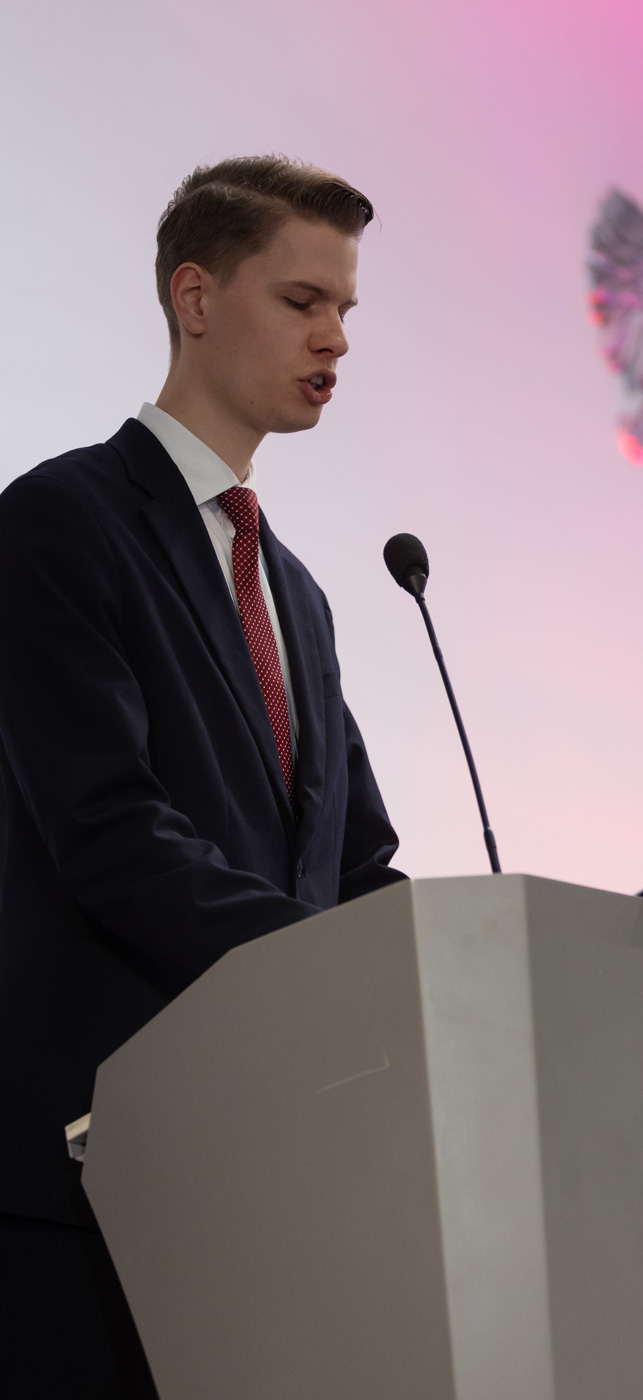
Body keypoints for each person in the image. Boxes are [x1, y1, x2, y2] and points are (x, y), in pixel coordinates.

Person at [0, 156, 406, 1397]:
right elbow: (110, 829)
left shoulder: (301, 595)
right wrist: (320, 966)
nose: (336, 338)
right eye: (302, 301)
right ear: (195, 296)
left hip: (265, 1180)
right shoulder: (58, 520)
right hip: (88, 1173)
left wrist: (462, 977)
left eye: (345, 308)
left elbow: (355, 862)